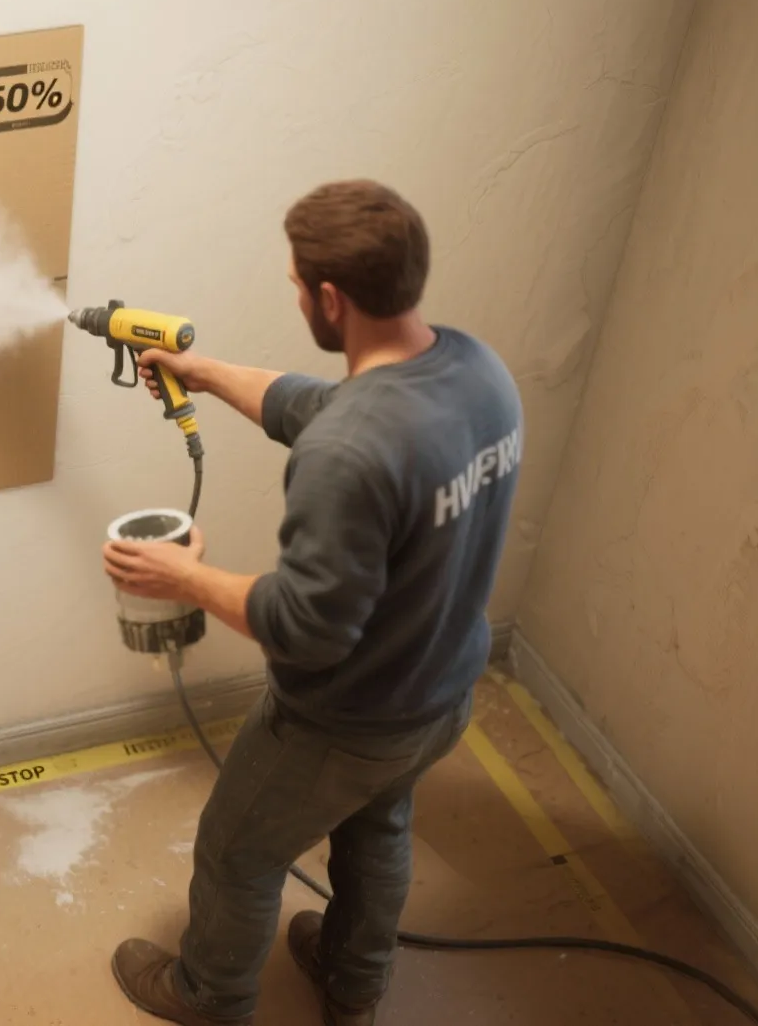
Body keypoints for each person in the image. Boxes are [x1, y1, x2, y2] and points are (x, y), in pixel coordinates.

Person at [101, 180, 524, 1025]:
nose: (297, 297)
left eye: (298, 287)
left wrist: (179, 575)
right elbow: (325, 404)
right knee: (377, 826)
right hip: (441, 691)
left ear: (329, 299)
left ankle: (209, 995)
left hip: (347, 717)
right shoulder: (476, 371)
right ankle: (353, 983)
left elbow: (306, 625)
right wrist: (207, 374)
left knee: (237, 852)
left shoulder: (346, 456)